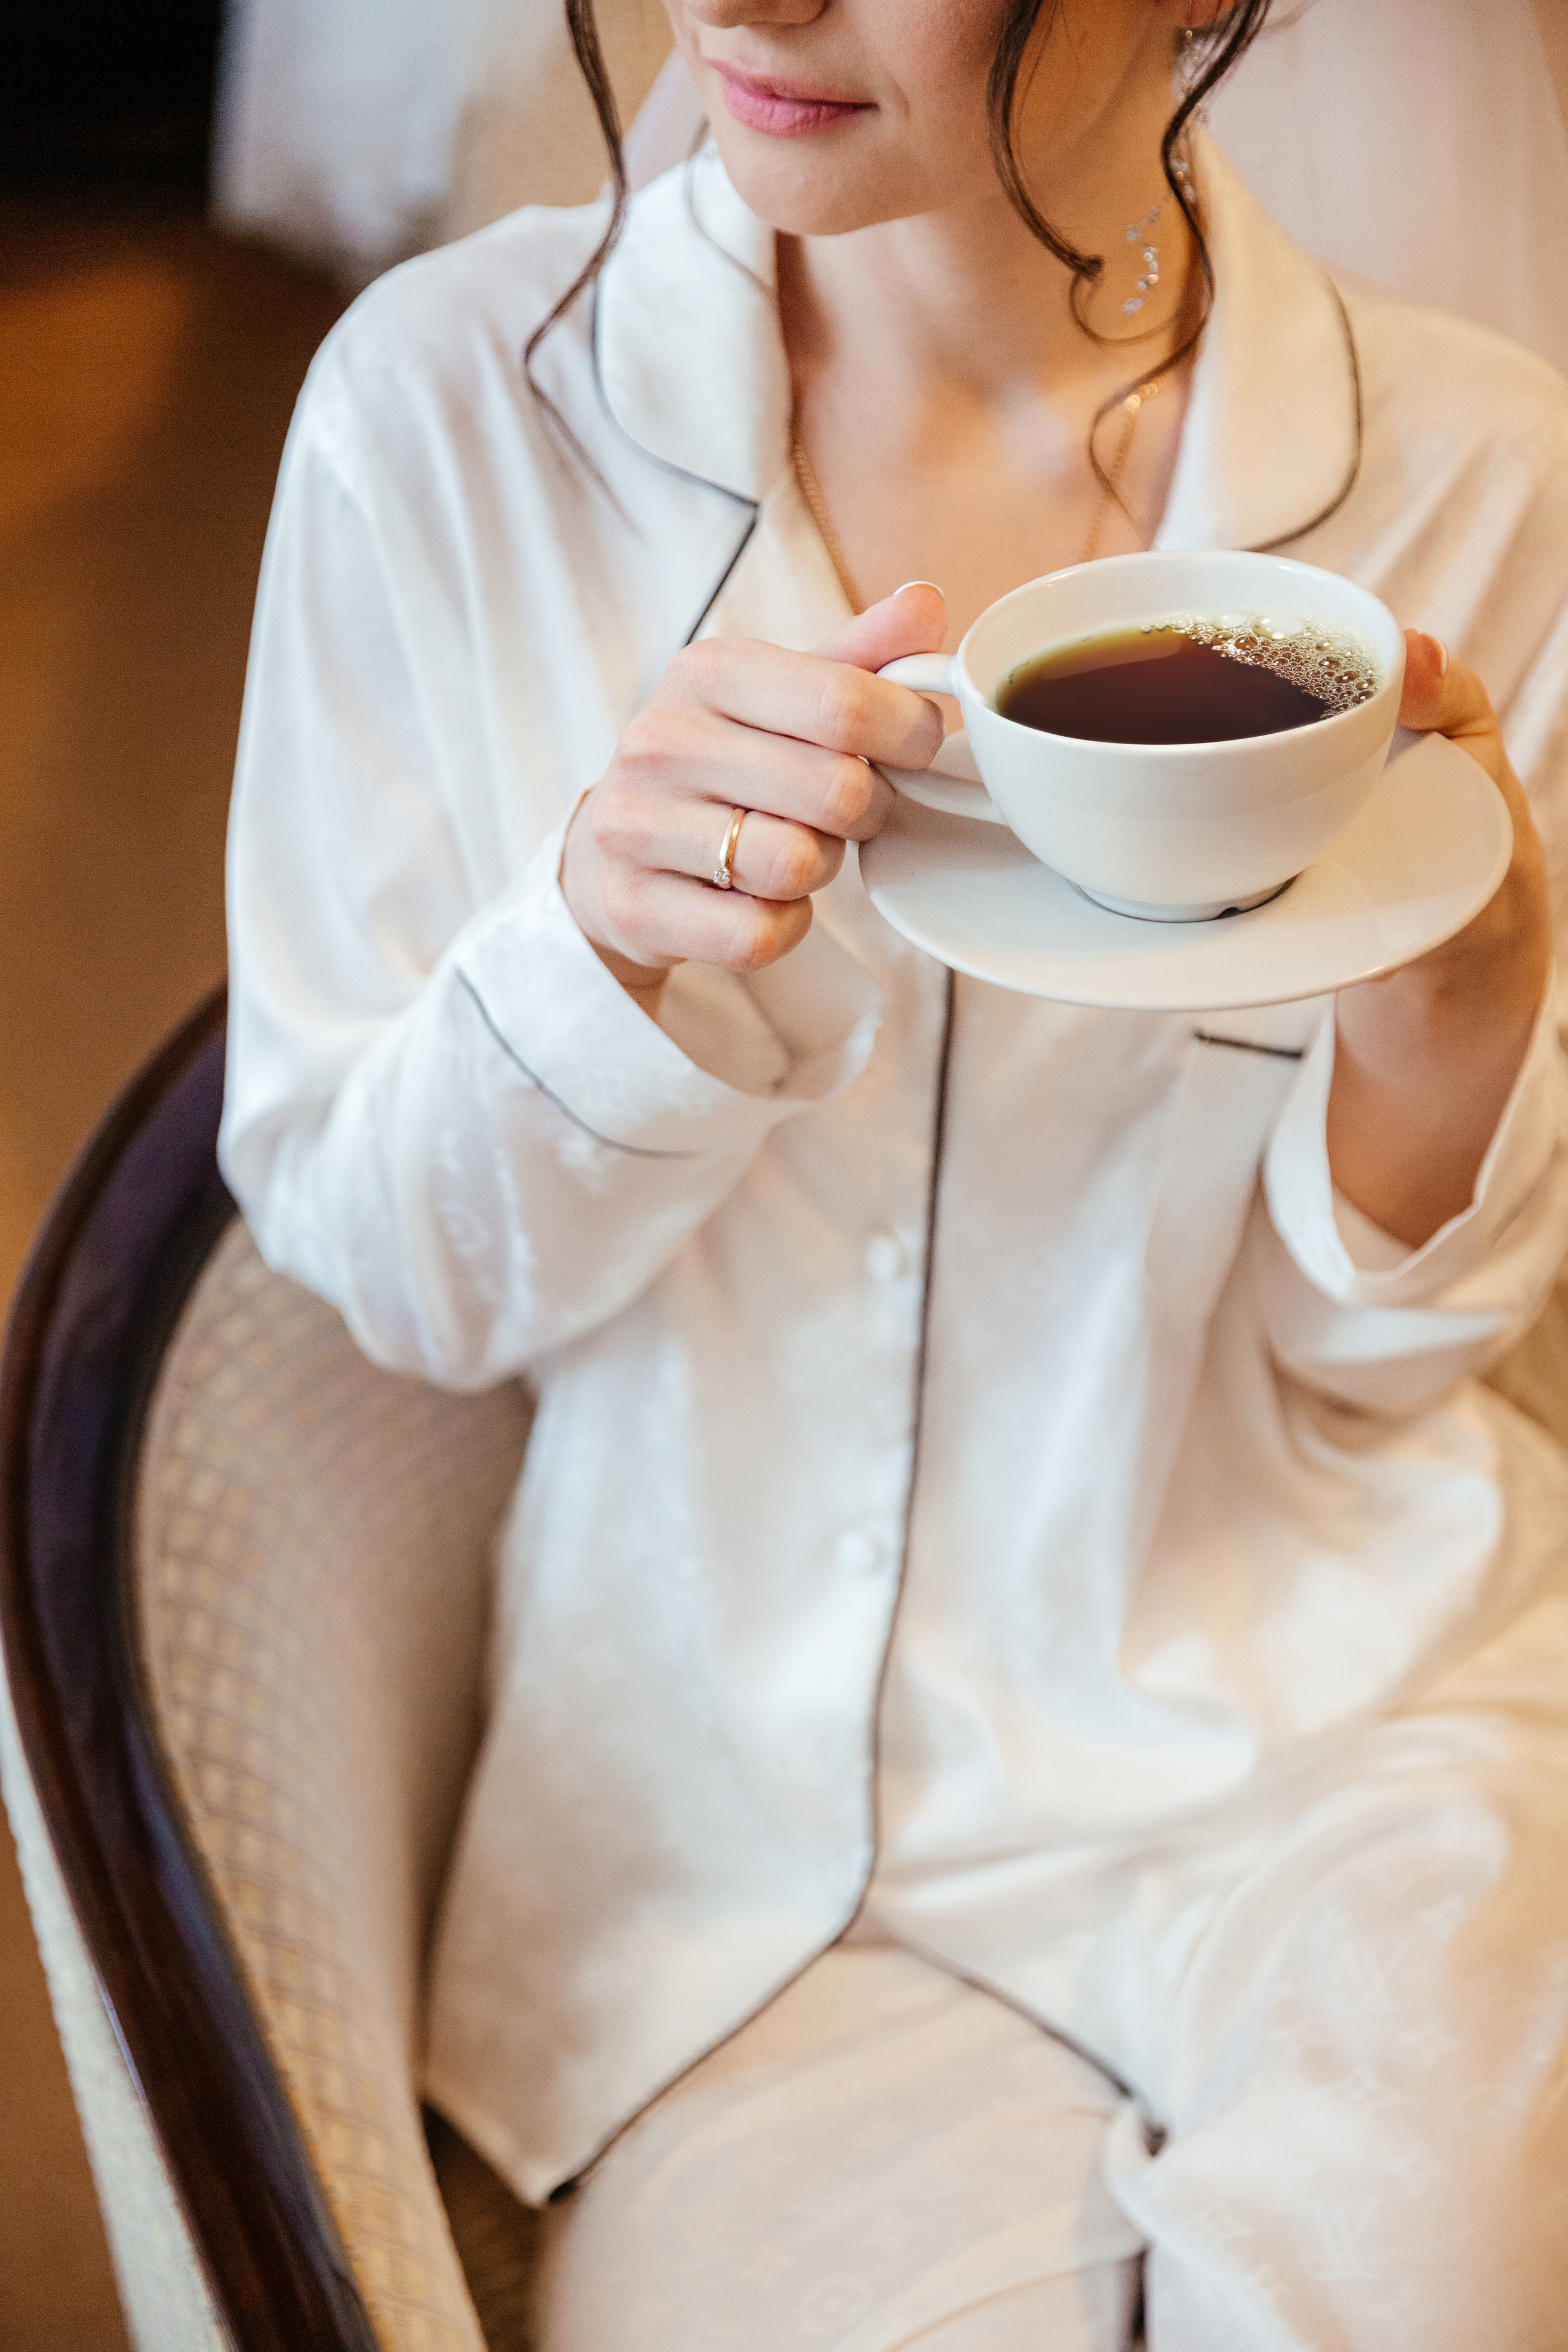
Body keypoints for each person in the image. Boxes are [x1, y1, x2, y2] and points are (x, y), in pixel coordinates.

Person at [219, 1, 1568, 2343]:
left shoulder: (1482, 484)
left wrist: (1457, 1031)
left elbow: (1381, 1381)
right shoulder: (442, 422)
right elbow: (392, 1277)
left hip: (1353, 1745)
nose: (739, 3)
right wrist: (608, 955)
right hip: (737, 1871)